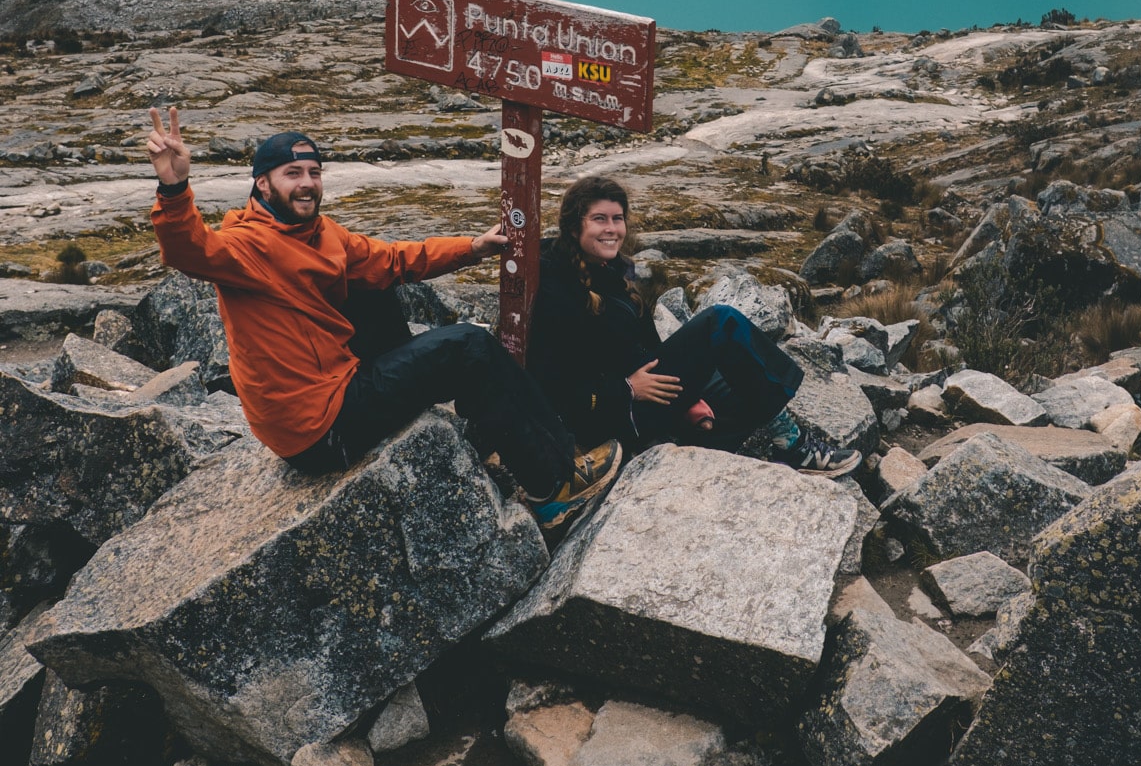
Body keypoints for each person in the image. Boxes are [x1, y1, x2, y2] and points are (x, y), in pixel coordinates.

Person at [144, 109, 620, 534]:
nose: (307, 183)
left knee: (376, 283)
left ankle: (506, 433)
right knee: (470, 346)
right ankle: (552, 487)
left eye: (313, 172)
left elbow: (393, 260)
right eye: (292, 173)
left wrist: (470, 249)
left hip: (336, 382)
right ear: (263, 185)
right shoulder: (247, 245)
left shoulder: (320, 233)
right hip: (318, 429)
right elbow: (190, 249)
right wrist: (173, 188)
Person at [527, 174, 861, 475]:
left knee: (739, 380)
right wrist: (627, 389)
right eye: (599, 219)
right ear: (574, 227)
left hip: (647, 393)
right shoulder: (555, 287)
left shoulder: (613, 273)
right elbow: (553, 385)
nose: (611, 229)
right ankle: (794, 445)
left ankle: (710, 445)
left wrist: (687, 399)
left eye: (617, 219)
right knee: (720, 323)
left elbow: (646, 348)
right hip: (612, 416)